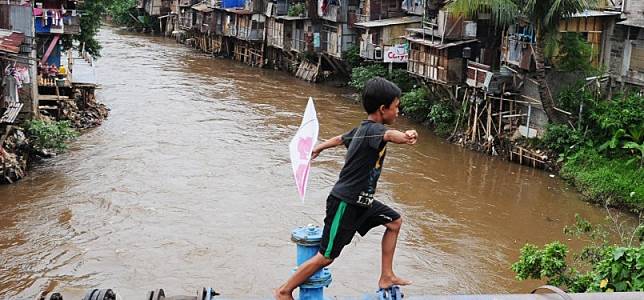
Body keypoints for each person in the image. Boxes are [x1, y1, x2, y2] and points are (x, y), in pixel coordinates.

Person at [275, 77, 418, 300]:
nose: (398, 112)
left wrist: (319, 148)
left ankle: (387, 275)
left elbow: (340, 138)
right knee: (326, 256)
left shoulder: (362, 129)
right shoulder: (377, 131)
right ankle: (284, 291)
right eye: (396, 107)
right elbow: (390, 135)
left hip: (363, 201)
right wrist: (406, 136)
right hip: (346, 201)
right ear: (383, 109)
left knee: (394, 222)